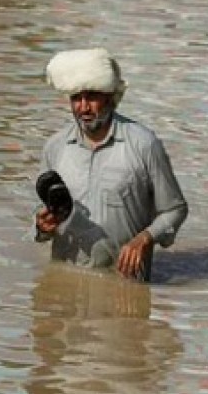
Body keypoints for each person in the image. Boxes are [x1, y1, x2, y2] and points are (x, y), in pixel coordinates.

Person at [33, 47, 188, 281]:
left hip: (124, 290)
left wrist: (145, 239)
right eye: (76, 98)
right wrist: (42, 228)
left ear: (110, 96)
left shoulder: (144, 145)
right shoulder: (55, 148)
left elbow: (175, 210)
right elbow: (41, 217)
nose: (83, 107)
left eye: (92, 96)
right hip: (66, 289)